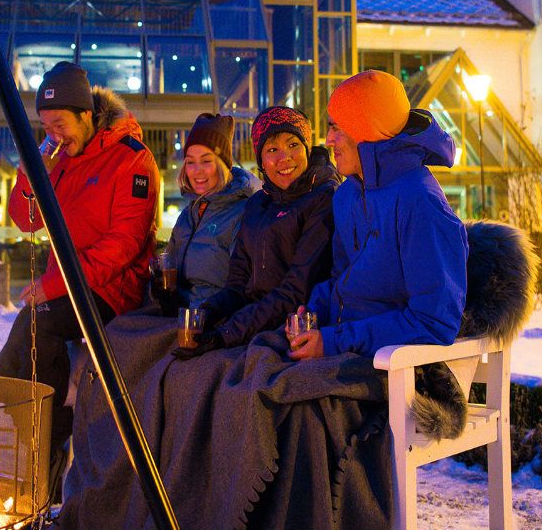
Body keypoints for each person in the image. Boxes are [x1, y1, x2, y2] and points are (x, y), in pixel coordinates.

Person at [0, 61, 159, 453]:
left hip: (114, 290)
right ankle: (23, 411)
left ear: (87, 114)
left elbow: (123, 247)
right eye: (46, 128)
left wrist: (51, 285)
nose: (54, 135)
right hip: (71, 285)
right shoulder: (59, 158)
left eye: (60, 124)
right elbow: (26, 221)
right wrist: (32, 172)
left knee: (37, 323)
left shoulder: (131, 159)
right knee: (31, 325)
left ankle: (44, 421)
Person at [290, 69, 468, 361]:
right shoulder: (347, 194)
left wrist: (334, 342)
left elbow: (435, 323)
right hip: (343, 349)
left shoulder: (420, 201)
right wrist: (312, 313)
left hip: (393, 368)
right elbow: (342, 279)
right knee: (243, 372)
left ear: (366, 132)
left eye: (337, 128)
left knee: (271, 396)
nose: (328, 140)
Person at [173, 105, 339, 359]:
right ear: (261, 160)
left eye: (293, 144)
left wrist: (225, 335)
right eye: (272, 150)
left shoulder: (322, 199)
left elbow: (296, 290)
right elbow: (238, 285)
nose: (284, 157)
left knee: (211, 373)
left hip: (296, 326)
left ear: (307, 147)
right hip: (253, 322)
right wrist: (207, 313)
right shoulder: (258, 205)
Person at [161, 113, 261, 310]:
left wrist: (204, 312)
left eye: (206, 161)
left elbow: (241, 288)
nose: (197, 170)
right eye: (190, 162)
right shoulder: (187, 216)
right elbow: (168, 266)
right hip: (180, 311)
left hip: (211, 317)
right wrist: (158, 292)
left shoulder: (242, 213)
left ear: (223, 165)